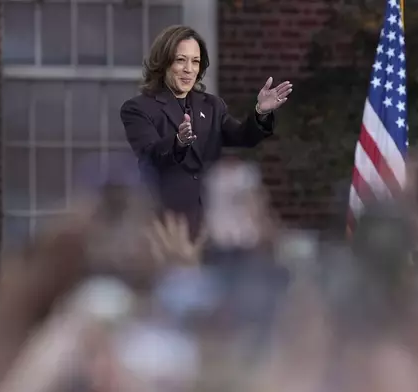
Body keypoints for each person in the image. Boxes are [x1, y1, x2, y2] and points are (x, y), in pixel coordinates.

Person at [121, 25, 292, 239]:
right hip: (168, 223)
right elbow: (150, 153)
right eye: (181, 60)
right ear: (163, 63)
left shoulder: (212, 106)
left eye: (195, 61)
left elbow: (242, 136)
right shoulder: (139, 108)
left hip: (213, 224)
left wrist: (260, 113)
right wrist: (178, 143)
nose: (188, 69)